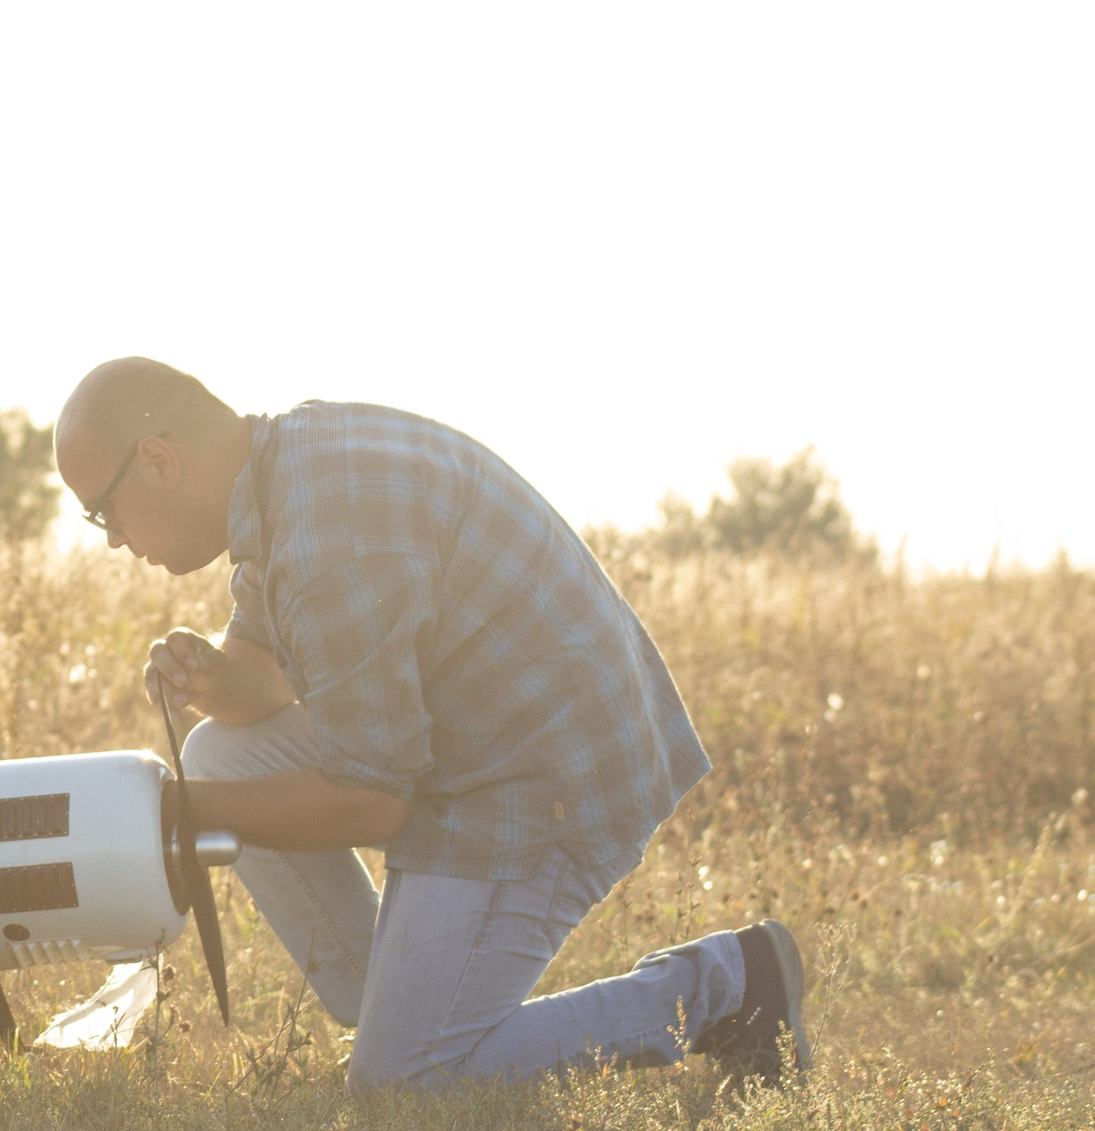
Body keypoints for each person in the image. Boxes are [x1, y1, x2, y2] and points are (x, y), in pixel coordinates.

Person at [52, 357, 811, 1091]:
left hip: (545, 777)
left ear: (158, 461)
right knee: (218, 752)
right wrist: (215, 678)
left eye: (101, 511)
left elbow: (372, 799)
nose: (113, 538)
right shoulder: (282, 469)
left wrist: (175, 810)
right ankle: (401, 1003)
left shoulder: (332, 534)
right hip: (472, 745)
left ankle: (732, 984)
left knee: (405, 1078)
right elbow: (263, 678)